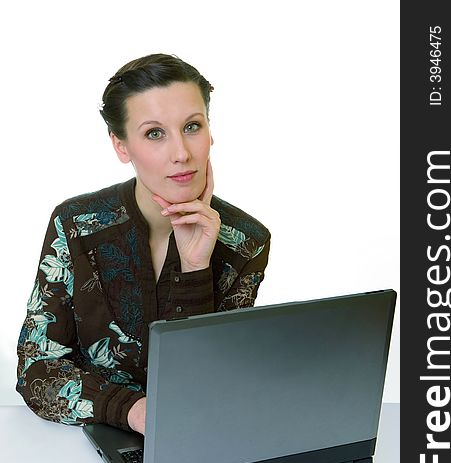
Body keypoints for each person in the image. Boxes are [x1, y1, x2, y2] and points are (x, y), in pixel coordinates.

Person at [16, 53, 270, 435]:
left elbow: (212, 385)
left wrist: (196, 267)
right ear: (121, 146)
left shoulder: (245, 241)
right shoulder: (78, 224)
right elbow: (36, 369)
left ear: (210, 132)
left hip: (194, 439)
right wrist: (130, 410)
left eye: (192, 126)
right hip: (86, 442)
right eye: (154, 133)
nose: (181, 154)